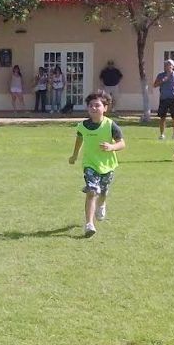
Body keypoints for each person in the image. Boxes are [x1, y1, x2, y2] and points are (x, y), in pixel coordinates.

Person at [68, 92, 125, 238]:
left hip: (107, 165)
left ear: (105, 108)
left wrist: (112, 147)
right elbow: (79, 140)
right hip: (90, 164)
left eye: (97, 105)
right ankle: (89, 224)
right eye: (91, 105)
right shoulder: (82, 126)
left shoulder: (110, 125)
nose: (94, 108)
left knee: (103, 192)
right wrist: (75, 155)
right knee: (92, 191)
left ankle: (102, 204)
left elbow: (122, 143)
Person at [153, 59, 174, 140]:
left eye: (169, 65)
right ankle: (162, 134)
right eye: (166, 64)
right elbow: (155, 85)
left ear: (173, 66)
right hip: (163, 98)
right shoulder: (160, 75)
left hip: (173, 98)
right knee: (162, 117)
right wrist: (163, 80)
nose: (167, 66)